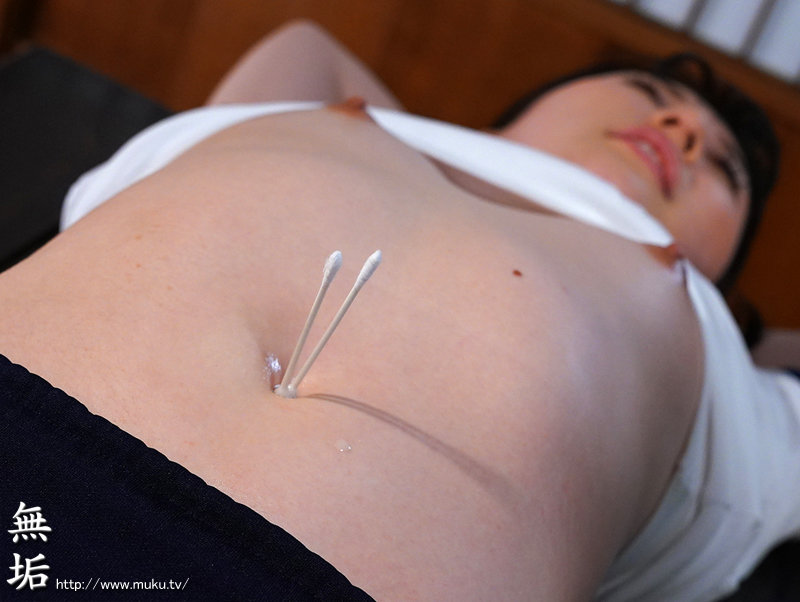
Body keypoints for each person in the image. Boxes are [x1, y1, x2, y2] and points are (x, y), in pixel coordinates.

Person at [1, 19, 798, 601]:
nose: (683, 128)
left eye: (724, 167)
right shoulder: (304, 117)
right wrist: (437, 141)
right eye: (651, 95)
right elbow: (307, 42)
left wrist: (746, 338)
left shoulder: (734, 388)